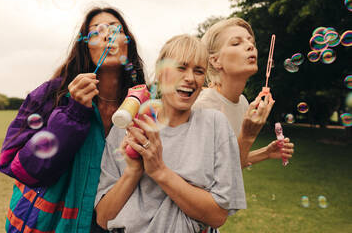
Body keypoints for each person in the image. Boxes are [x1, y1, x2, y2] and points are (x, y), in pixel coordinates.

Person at [0, 6, 145, 233]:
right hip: (48, 225)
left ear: (128, 43)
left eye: (117, 29)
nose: (108, 35)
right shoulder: (51, 95)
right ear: (85, 47)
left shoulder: (140, 105)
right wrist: (73, 114)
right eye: (97, 31)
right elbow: (17, 166)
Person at [94, 34, 246, 233]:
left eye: (199, 71)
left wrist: (159, 171)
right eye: (181, 68)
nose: (190, 78)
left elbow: (217, 216)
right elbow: (104, 218)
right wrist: (133, 172)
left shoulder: (215, 125)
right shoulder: (129, 127)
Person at [193, 18, 294, 168]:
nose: (250, 46)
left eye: (251, 42)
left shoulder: (242, 102)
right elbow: (216, 172)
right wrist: (248, 136)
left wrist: (265, 153)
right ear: (215, 61)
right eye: (236, 43)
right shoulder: (203, 108)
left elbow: (232, 159)